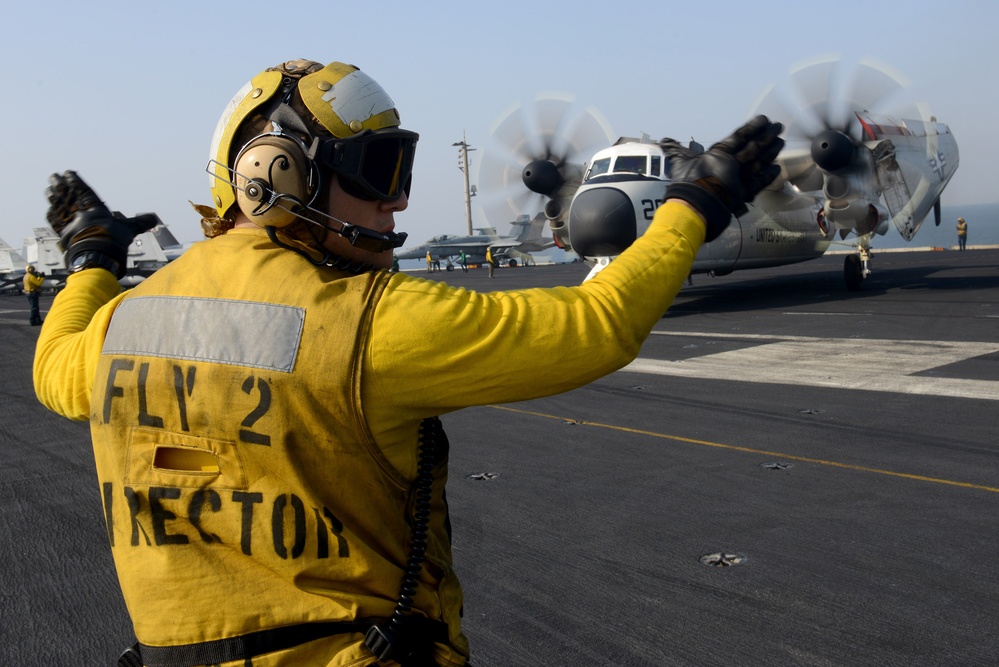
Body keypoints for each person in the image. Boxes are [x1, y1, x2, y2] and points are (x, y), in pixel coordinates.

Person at [32, 58, 782, 667]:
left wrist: (93, 256)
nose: (394, 207)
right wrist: (697, 200)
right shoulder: (365, 319)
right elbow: (597, 324)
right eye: (376, 173)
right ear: (278, 175)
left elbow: (52, 367)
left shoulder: (115, 330)